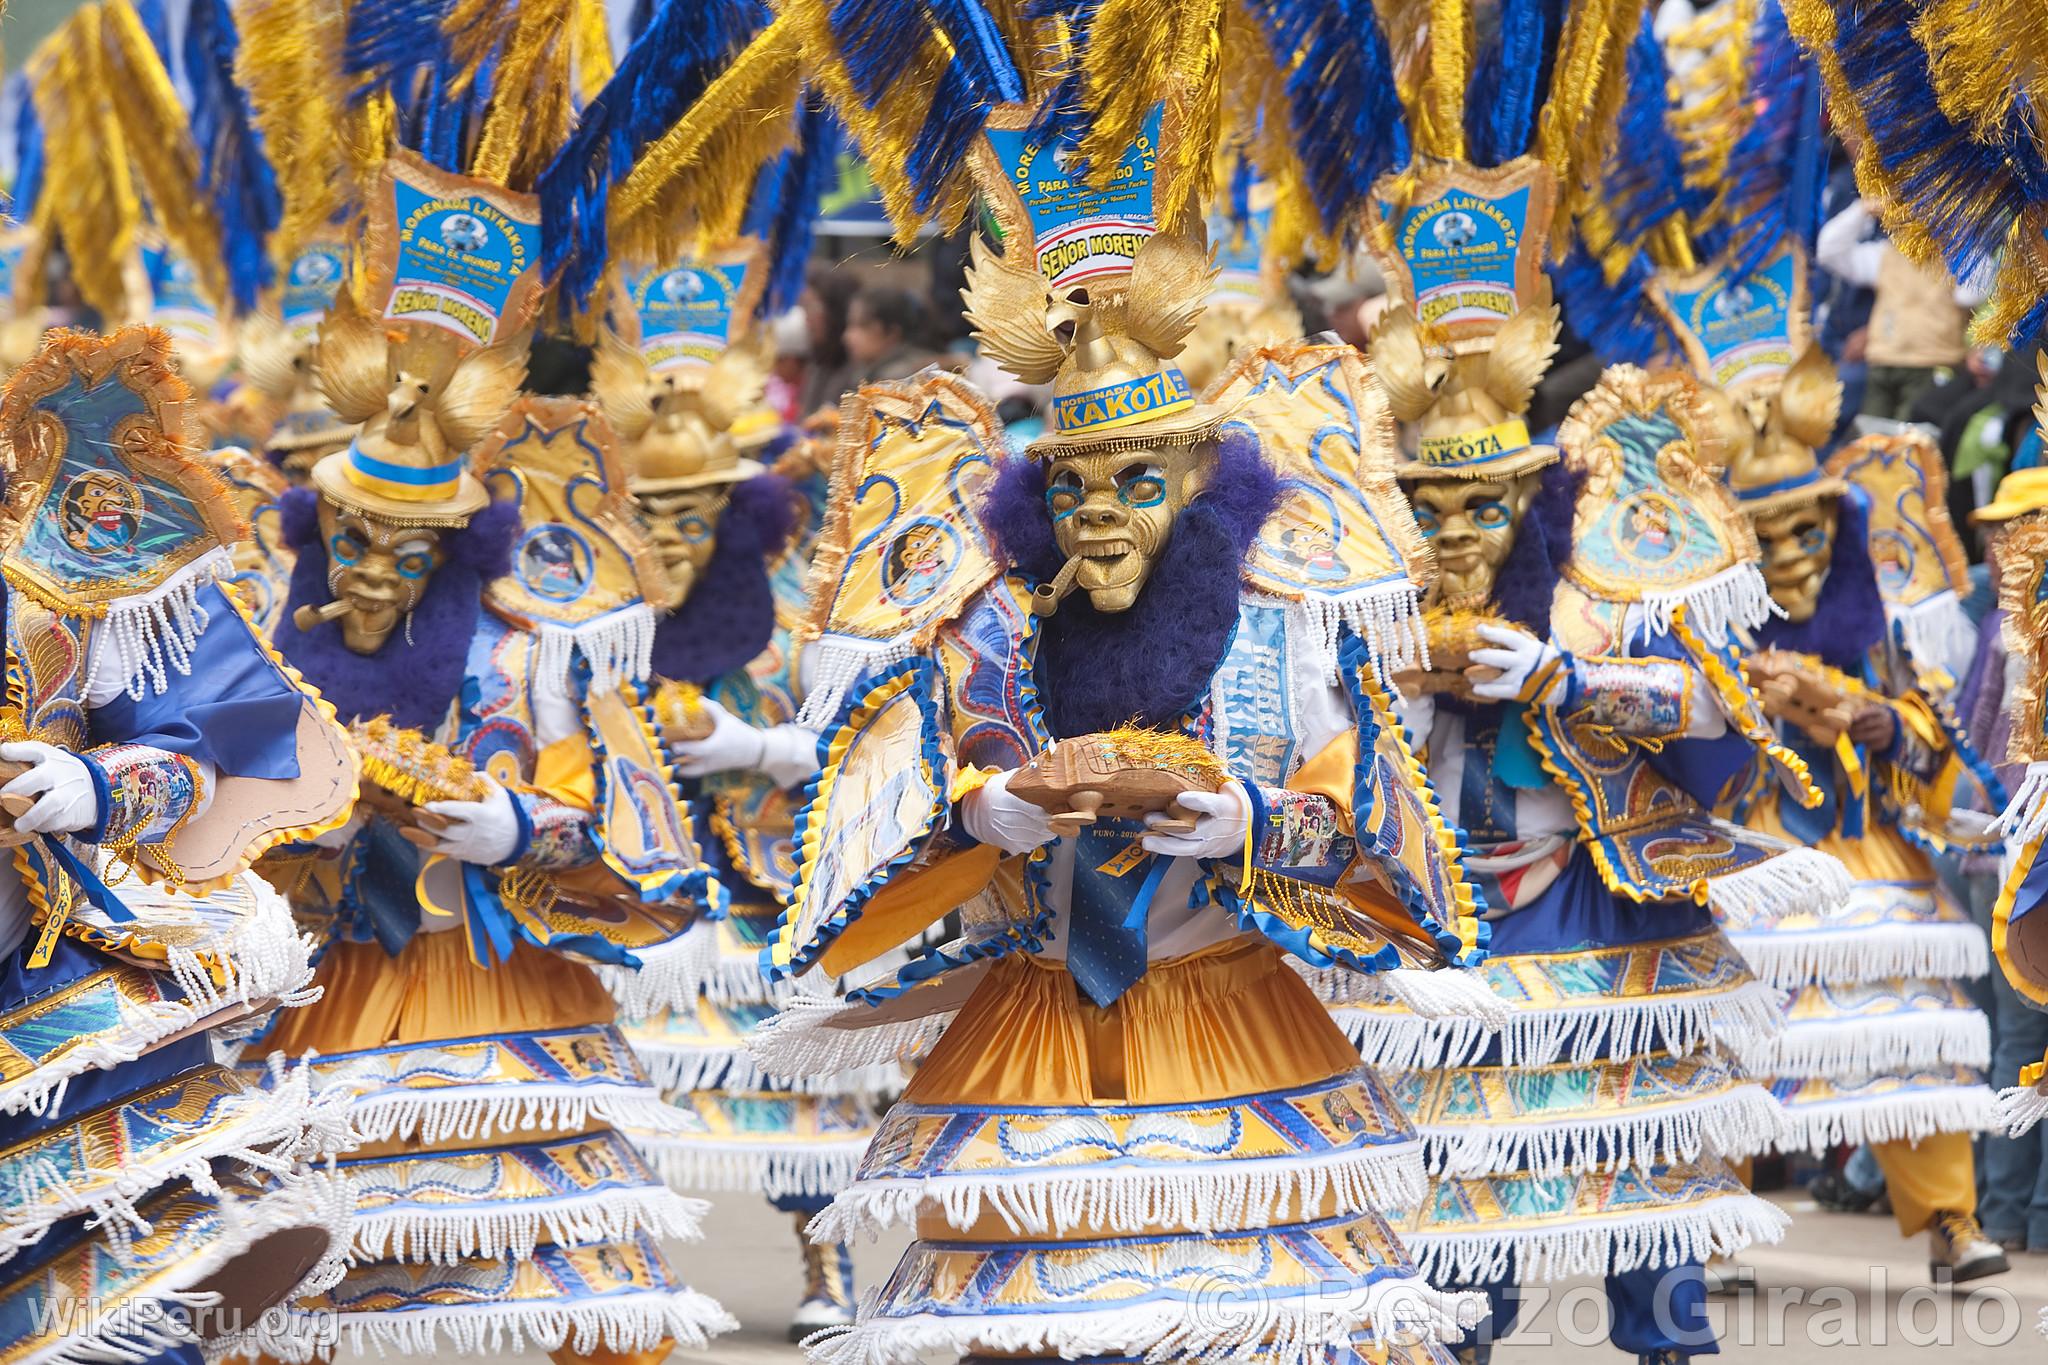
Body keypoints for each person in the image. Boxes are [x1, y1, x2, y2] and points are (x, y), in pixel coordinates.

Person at [0, 326, 360, 1363]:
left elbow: (208, 739)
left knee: (100, 1305)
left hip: (34, 977)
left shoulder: (77, 522)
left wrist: (93, 788)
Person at [1713, 353, 2007, 1283]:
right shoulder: (1710, 630)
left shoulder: (1878, 628)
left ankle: (1952, 1222)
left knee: (1916, 1033)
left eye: (1809, 528)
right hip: (1757, 850)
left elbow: (1933, 732)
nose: (1795, 553)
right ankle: (1712, 1225)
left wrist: (1886, 724)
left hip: (1872, 849)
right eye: (1771, 536)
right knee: (1729, 1042)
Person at [1815, 196, 1988, 421]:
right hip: (1883, 364)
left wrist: (1954, 230)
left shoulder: (1955, 257)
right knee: (1872, 445)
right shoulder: (1886, 254)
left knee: (1912, 445)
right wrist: (1863, 209)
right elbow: (1828, 251)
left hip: (1931, 366)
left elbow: (1974, 292)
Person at [841, 285, 937, 387]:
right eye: (850, 324)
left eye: (862, 325)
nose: (847, 336)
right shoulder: (865, 369)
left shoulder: (901, 378)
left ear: (892, 333)